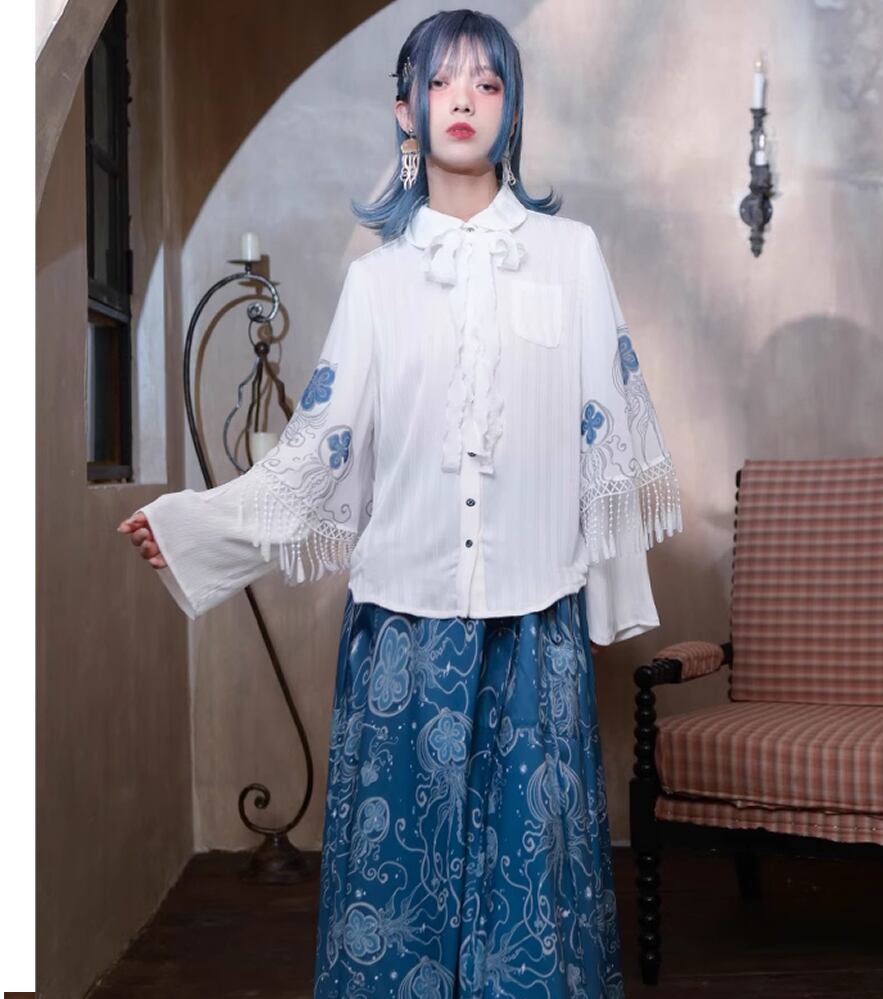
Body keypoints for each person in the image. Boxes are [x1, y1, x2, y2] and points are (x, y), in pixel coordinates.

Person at [117, 9, 682, 996]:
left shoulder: (570, 256)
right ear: (406, 110)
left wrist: (608, 606)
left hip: (534, 624)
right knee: (398, 897)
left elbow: (606, 434)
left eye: (488, 84)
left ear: (512, 112)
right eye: (442, 81)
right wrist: (200, 528)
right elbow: (322, 448)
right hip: (401, 632)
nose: (464, 99)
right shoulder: (376, 283)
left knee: (531, 901)